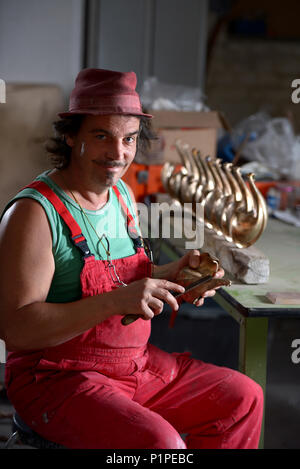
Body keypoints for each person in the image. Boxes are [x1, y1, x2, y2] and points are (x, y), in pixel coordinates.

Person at [0, 68, 263, 449]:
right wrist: (118, 301)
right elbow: (17, 330)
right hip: (56, 378)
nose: (118, 153)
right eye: (102, 135)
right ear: (71, 136)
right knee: (162, 447)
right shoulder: (34, 214)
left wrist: (173, 276)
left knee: (243, 398)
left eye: (129, 139)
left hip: (133, 366)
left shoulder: (121, 195)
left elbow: (114, 279)